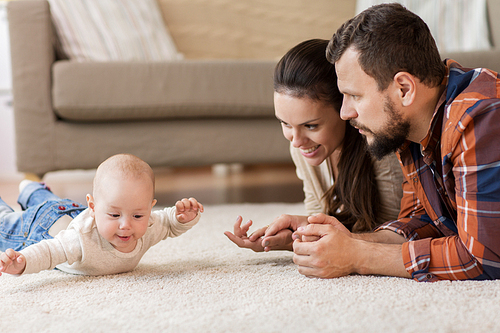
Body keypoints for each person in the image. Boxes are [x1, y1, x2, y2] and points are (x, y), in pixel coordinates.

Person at [289, 3, 500, 282]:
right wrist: (343, 241)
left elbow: (484, 259)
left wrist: (358, 257)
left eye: (355, 96)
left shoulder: (480, 117)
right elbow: (424, 222)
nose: (344, 113)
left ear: (404, 89)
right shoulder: (410, 129)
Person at [225, 39, 404, 252]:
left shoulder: (382, 146)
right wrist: (290, 237)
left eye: (310, 126)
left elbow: (396, 235)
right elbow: (323, 220)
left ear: (344, 109)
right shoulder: (303, 147)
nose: (296, 140)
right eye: (285, 123)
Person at [0, 153, 204, 276]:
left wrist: (182, 218)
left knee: (54, 203)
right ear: (93, 207)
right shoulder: (80, 239)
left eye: (138, 216)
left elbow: (168, 223)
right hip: (43, 228)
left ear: (150, 209)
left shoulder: (149, 225)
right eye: (115, 215)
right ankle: (31, 194)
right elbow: (49, 252)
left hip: (68, 211)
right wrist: (22, 263)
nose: (126, 225)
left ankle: (33, 191)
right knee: (5, 224)